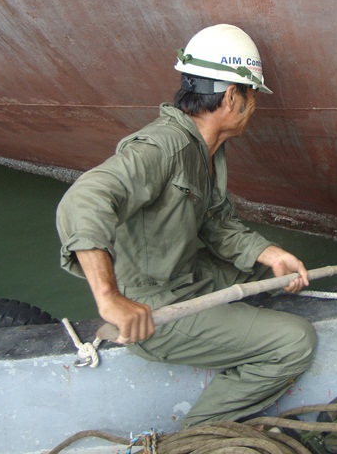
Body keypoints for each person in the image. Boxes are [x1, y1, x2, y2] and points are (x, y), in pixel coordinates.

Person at [56, 24, 317, 427]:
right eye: (251, 95)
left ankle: (236, 332)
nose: (254, 106)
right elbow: (83, 200)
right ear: (231, 96)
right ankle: (194, 437)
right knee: (296, 341)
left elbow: (214, 221)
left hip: (187, 276)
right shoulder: (164, 147)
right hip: (154, 308)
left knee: (277, 274)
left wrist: (269, 254)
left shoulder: (203, 148)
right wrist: (109, 299)